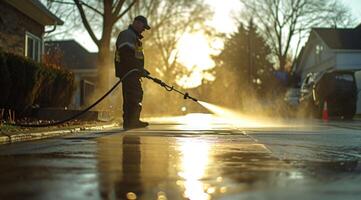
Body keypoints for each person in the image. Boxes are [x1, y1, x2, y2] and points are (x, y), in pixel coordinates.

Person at [114, 15, 151, 130]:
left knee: (136, 94)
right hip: (128, 72)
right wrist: (138, 69)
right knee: (133, 95)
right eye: (143, 27)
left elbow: (133, 56)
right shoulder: (127, 35)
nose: (143, 30)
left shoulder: (133, 37)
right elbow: (126, 55)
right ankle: (131, 122)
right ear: (137, 23)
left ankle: (132, 120)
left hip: (133, 72)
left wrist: (141, 70)